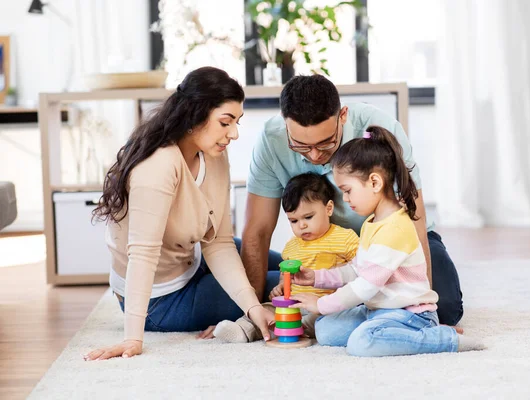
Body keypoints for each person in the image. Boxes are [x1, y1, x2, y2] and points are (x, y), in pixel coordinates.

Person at [84, 67, 277, 361]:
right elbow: (143, 254)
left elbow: (219, 242)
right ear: (195, 115)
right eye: (226, 122)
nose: (234, 134)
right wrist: (132, 338)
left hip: (192, 258)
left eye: (236, 122)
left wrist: (251, 307)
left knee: (291, 266)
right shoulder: (158, 166)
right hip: (160, 299)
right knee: (279, 284)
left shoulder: (214, 154)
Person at [242, 74, 464, 326]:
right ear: (285, 125)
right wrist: (252, 309)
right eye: (301, 146)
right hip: (326, 253)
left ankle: (353, 301)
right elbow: (257, 231)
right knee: (265, 300)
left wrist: (424, 309)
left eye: (326, 143)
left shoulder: (378, 129)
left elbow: (414, 214)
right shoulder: (271, 140)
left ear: (343, 115)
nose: (314, 155)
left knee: (444, 310)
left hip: (394, 243)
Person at [291, 126, 484, 357]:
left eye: (348, 190)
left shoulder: (395, 228)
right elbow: (358, 271)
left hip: (410, 314)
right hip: (379, 309)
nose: (345, 199)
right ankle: (395, 334)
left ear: (374, 182)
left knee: (362, 343)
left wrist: (321, 304)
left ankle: (441, 338)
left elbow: (365, 286)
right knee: (326, 330)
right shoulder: (372, 222)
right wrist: (317, 277)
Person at [213, 173, 359, 342]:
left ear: (328, 208)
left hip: (324, 305)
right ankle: (243, 329)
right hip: (292, 305)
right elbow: (286, 276)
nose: (302, 225)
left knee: (319, 320)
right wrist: (281, 287)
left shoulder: (345, 238)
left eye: (308, 217)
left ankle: (290, 328)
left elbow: (361, 269)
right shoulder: (292, 245)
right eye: (293, 221)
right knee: (265, 309)